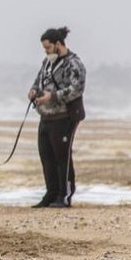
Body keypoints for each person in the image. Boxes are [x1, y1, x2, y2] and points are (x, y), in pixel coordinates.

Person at [27, 26, 86, 208]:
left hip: (64, 117)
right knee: (46, 157)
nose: (46, 51)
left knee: (62, 158)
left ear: (58, 44)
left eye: (48, 47)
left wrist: (52, 97)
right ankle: (51, 194)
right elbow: (39, 81)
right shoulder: (46, 63)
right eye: (44, 48)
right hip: (46, 117)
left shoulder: (74, 63)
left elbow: (76, 89)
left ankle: (65, 195)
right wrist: (33, 91)